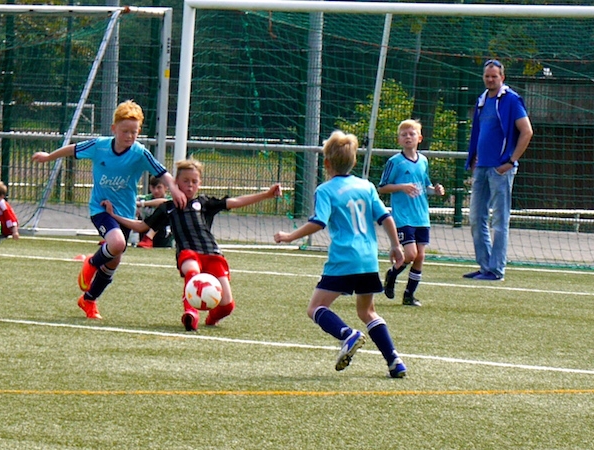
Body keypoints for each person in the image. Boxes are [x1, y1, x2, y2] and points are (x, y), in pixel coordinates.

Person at [31, 100, 186, 320]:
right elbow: (73, 149)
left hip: (124, 212)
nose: (129, 136)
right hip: (100, 208)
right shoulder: (100, 146)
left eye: (134, 132)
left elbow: (162, 172)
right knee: (117, 244)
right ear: (114, 129)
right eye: (125, 131)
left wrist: (174, 189)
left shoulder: (139, 153)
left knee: (114, 260)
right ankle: (91, 263)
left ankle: (88, 300)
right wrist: (49, 156)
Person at [273, 131, 407, 378]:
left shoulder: (325, 190)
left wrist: (290, 236)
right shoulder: (366, 186)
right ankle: (394, 361)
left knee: (316, 307)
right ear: (353, 162)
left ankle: (347, 334)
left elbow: (318, 222)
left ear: (326, 163)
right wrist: (396, 246)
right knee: (367, 312)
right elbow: (385, 217)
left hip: (344, 258)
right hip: (368, 259)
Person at [103, 158, 281, 332]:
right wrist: (114, 215)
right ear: (176, 183)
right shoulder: (168, 208)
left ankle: (211, 319)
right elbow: (141, 226)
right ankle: (191, 313)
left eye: (194, 181)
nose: (190, 185)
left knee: (227, 306)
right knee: (192, 270)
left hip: (213, 254)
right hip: (188, 252)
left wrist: (266, 194)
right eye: (185, 181)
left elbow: (235, 202)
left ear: (199, 184)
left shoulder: (204, 203)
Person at [464, 59, 533, 281]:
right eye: (487, 76)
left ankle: (496, 270)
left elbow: (527, 131)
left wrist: (510, 161)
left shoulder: (511, 100)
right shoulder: (482, 100)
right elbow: (477, 131)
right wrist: (473, 158)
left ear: (502, 77)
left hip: (500, 169)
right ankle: (485, 266)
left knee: (500, 221)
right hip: (481, 167)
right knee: (476, 218)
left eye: (494, 76)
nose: (490, 79)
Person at [378, 119, 445, 307]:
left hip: (421, 216)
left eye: (412, 134)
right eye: (404, 134)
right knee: (410, 254)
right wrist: (402, 187)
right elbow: (382, 187)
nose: (408, 137)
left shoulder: (423, 161)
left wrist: (435, 190)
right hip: (403, 216)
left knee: (420, 256)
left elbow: (424, 186)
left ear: (419, 138)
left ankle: (409, 295)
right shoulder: (395, 162)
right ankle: (392, 275)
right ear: (399, 140)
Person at [135, 175, 173, 249]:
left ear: (166, 187)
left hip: (164, 237)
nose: (156, 191)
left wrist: (142, 204)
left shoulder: (170, 200)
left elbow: (165, 202)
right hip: (144, 231)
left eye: (159, 187)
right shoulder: (145, 198)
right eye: (153, 187)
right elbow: (132, 201)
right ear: (150, 187)